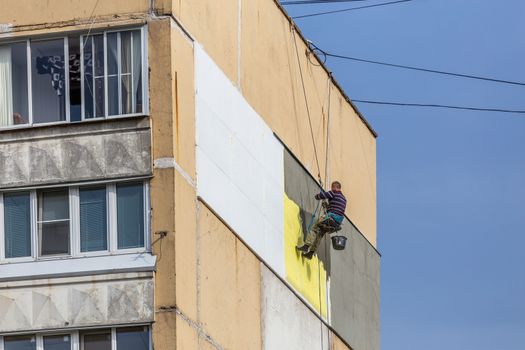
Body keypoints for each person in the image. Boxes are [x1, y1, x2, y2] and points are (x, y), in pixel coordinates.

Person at [296, 181, 347, 259]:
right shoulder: (344, 199)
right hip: (336, 222)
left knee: (315, 228)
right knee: (320, 233)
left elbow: (322, 196)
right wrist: (327, 206)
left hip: (330, 217)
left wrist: (317, 196)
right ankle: (311, 253)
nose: (331, 189)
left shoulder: (333, 193)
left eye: (332, 187)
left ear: (335, 187)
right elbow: (336, 208)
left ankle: (306, 245)